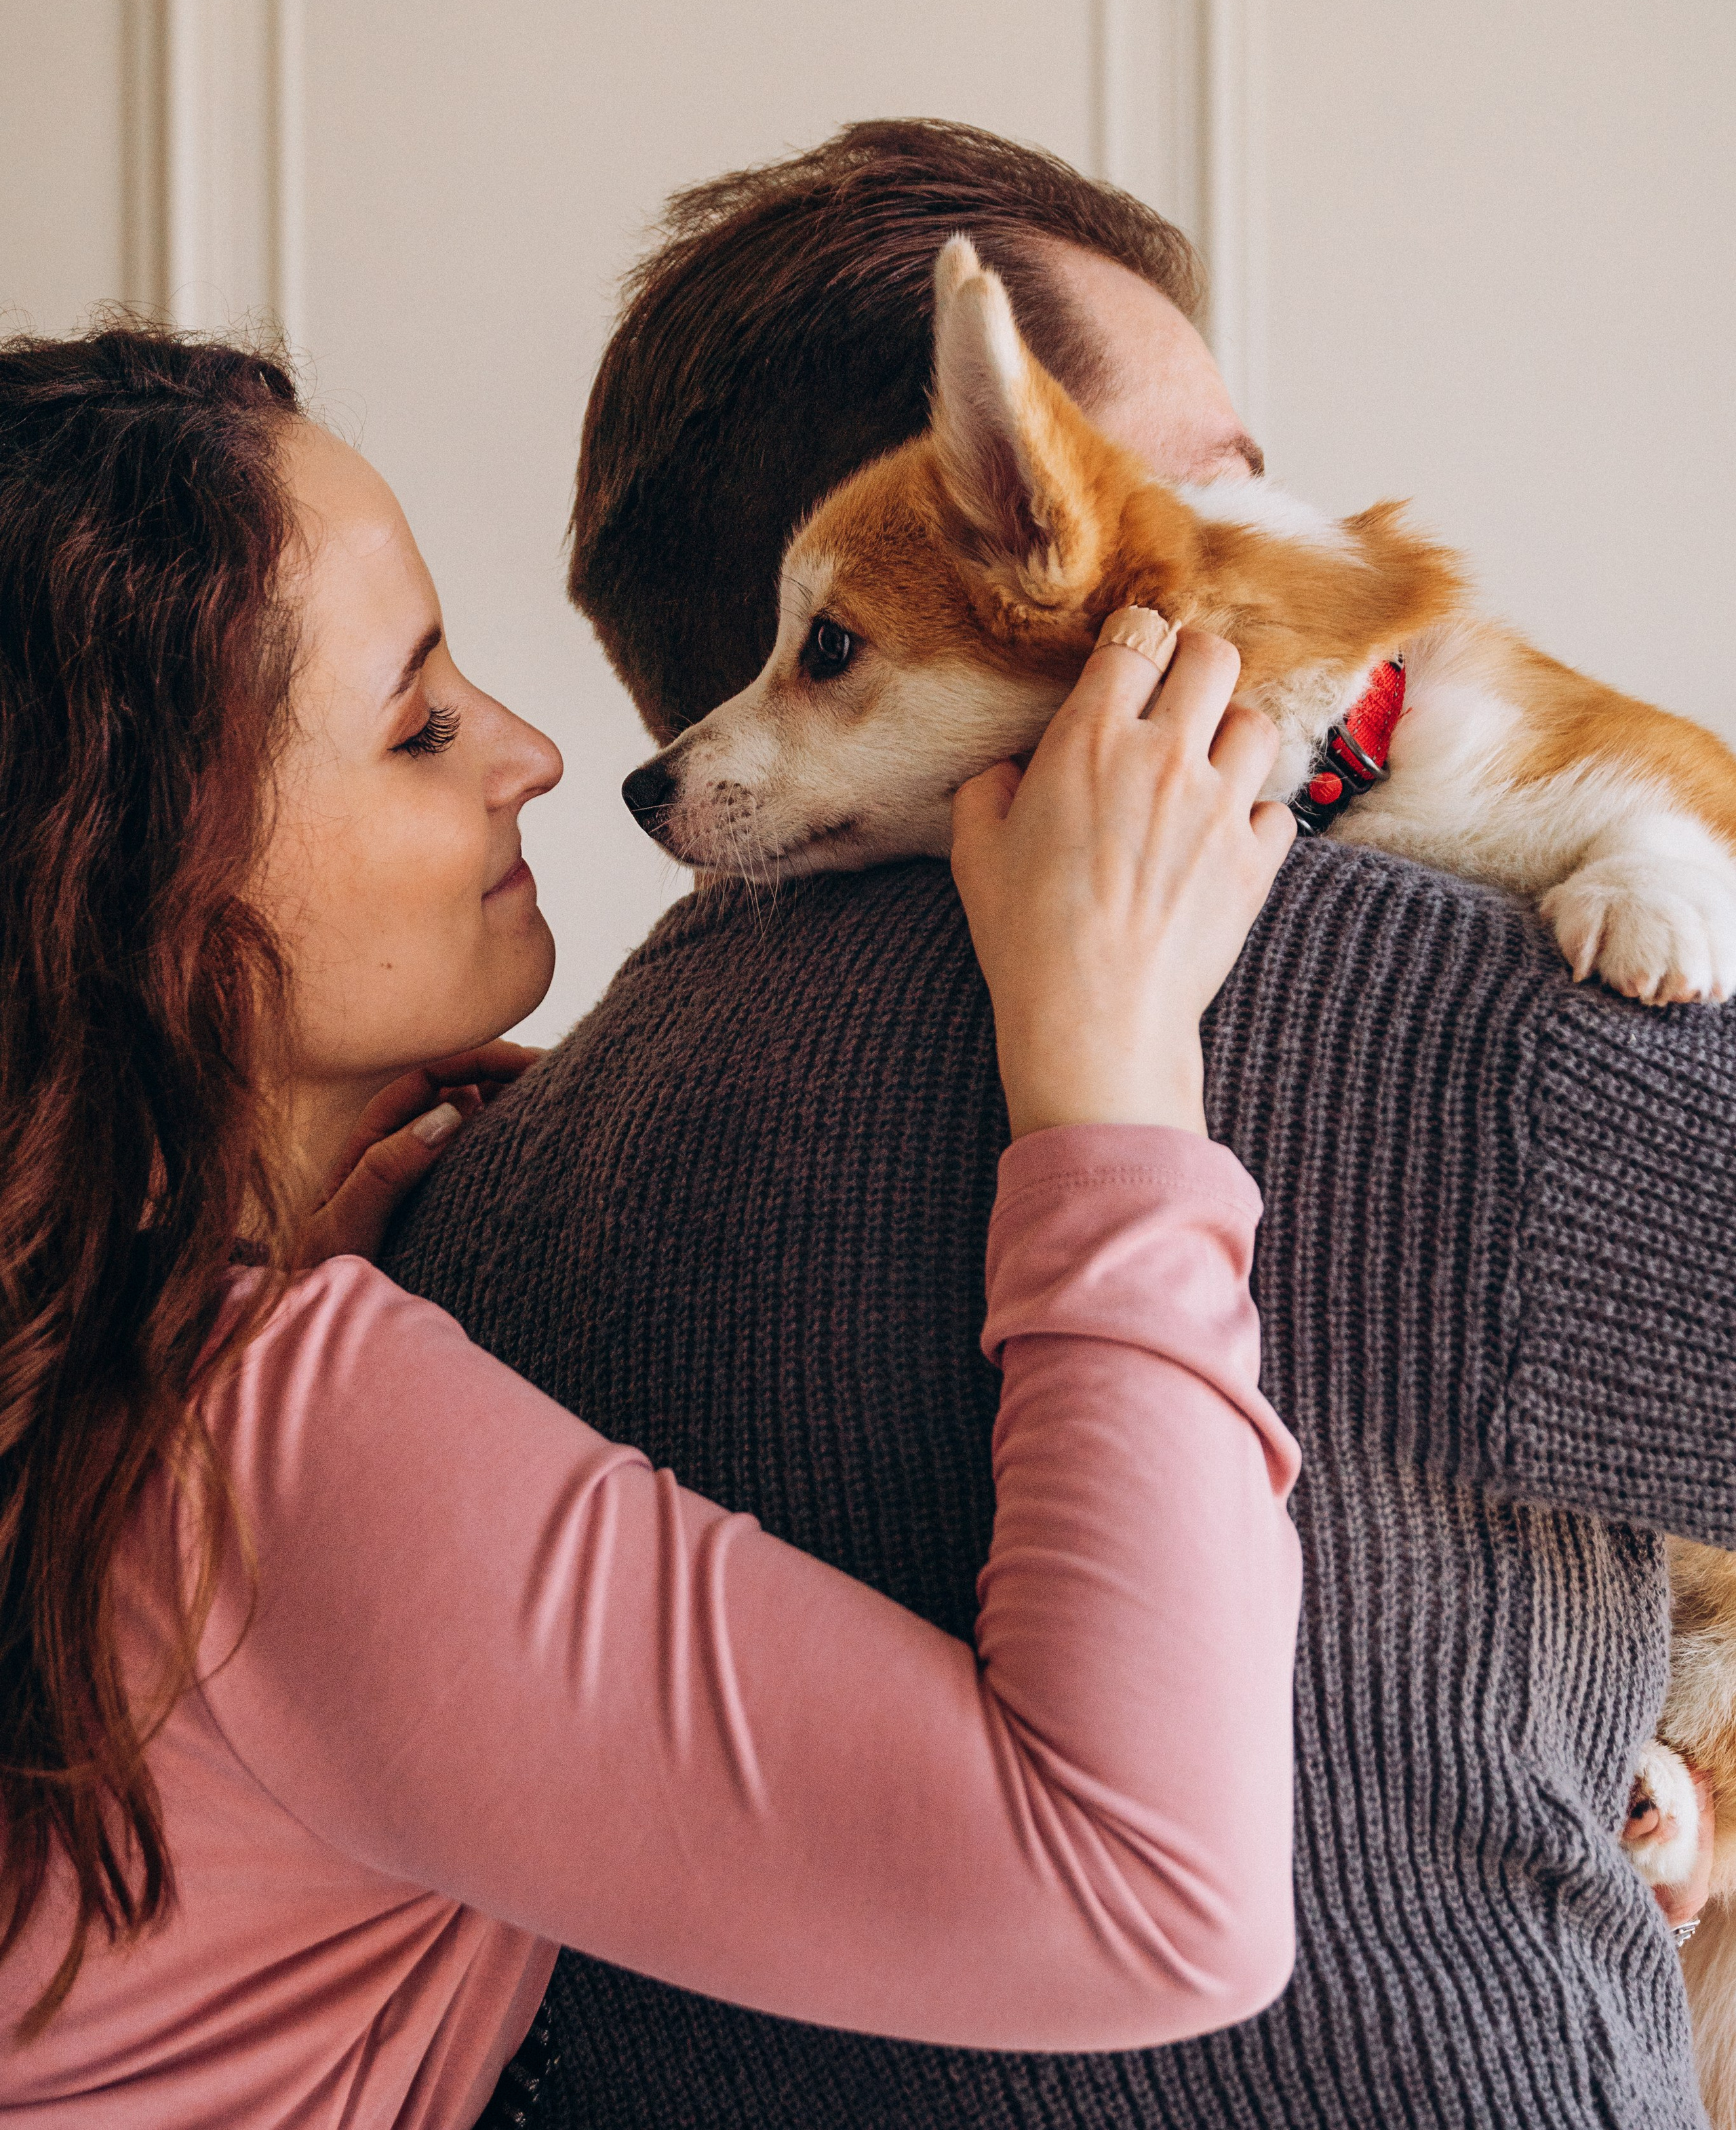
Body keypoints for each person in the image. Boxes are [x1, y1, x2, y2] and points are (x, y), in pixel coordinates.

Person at [387, 119, 1736, 2130]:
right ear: (1036, 521)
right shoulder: (1461, 1021)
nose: (1267, 528)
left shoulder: (445, 1224)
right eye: (1205, 487)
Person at [0, 324, 1303, 2125]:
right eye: (420, 722)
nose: (532, 755)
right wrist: (1109, 1073)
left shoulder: (104, 1376)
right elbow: (1154, 1901)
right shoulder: (252, 1455)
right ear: (145, 880)